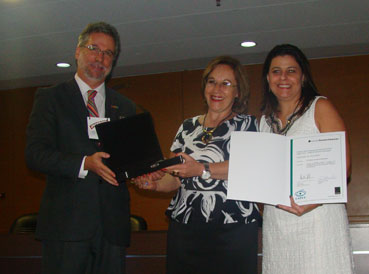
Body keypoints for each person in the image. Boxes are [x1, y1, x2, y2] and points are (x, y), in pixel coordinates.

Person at [25, 22, 136, 274]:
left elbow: (127, 161)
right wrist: (85, 163)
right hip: (66, 226)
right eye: (94, 48)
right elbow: (35, 155)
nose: (100, 57)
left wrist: (145, 170)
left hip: (112, 228)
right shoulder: (50, 98)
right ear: (77, 51)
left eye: (108, 53)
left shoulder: (125, 106)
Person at [134, 56, 261, 274]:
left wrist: (202, 169)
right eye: (212, 81)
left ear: (238, 91)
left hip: (233, 227)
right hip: (186, 226)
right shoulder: (187, 127)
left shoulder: (248, 124)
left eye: (226, 83)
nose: (217, 89)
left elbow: (249, 167)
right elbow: (175, 178)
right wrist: (154, 185)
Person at [259, 44, 354, 274]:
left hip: (318, 219)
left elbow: (343, 166)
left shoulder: (319, 107)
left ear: (302, 77)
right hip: (277, 225)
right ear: (268, 78)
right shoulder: (263, 122)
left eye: (291, 70)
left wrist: (313, 200)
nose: (283, 77)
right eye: (276, 71)